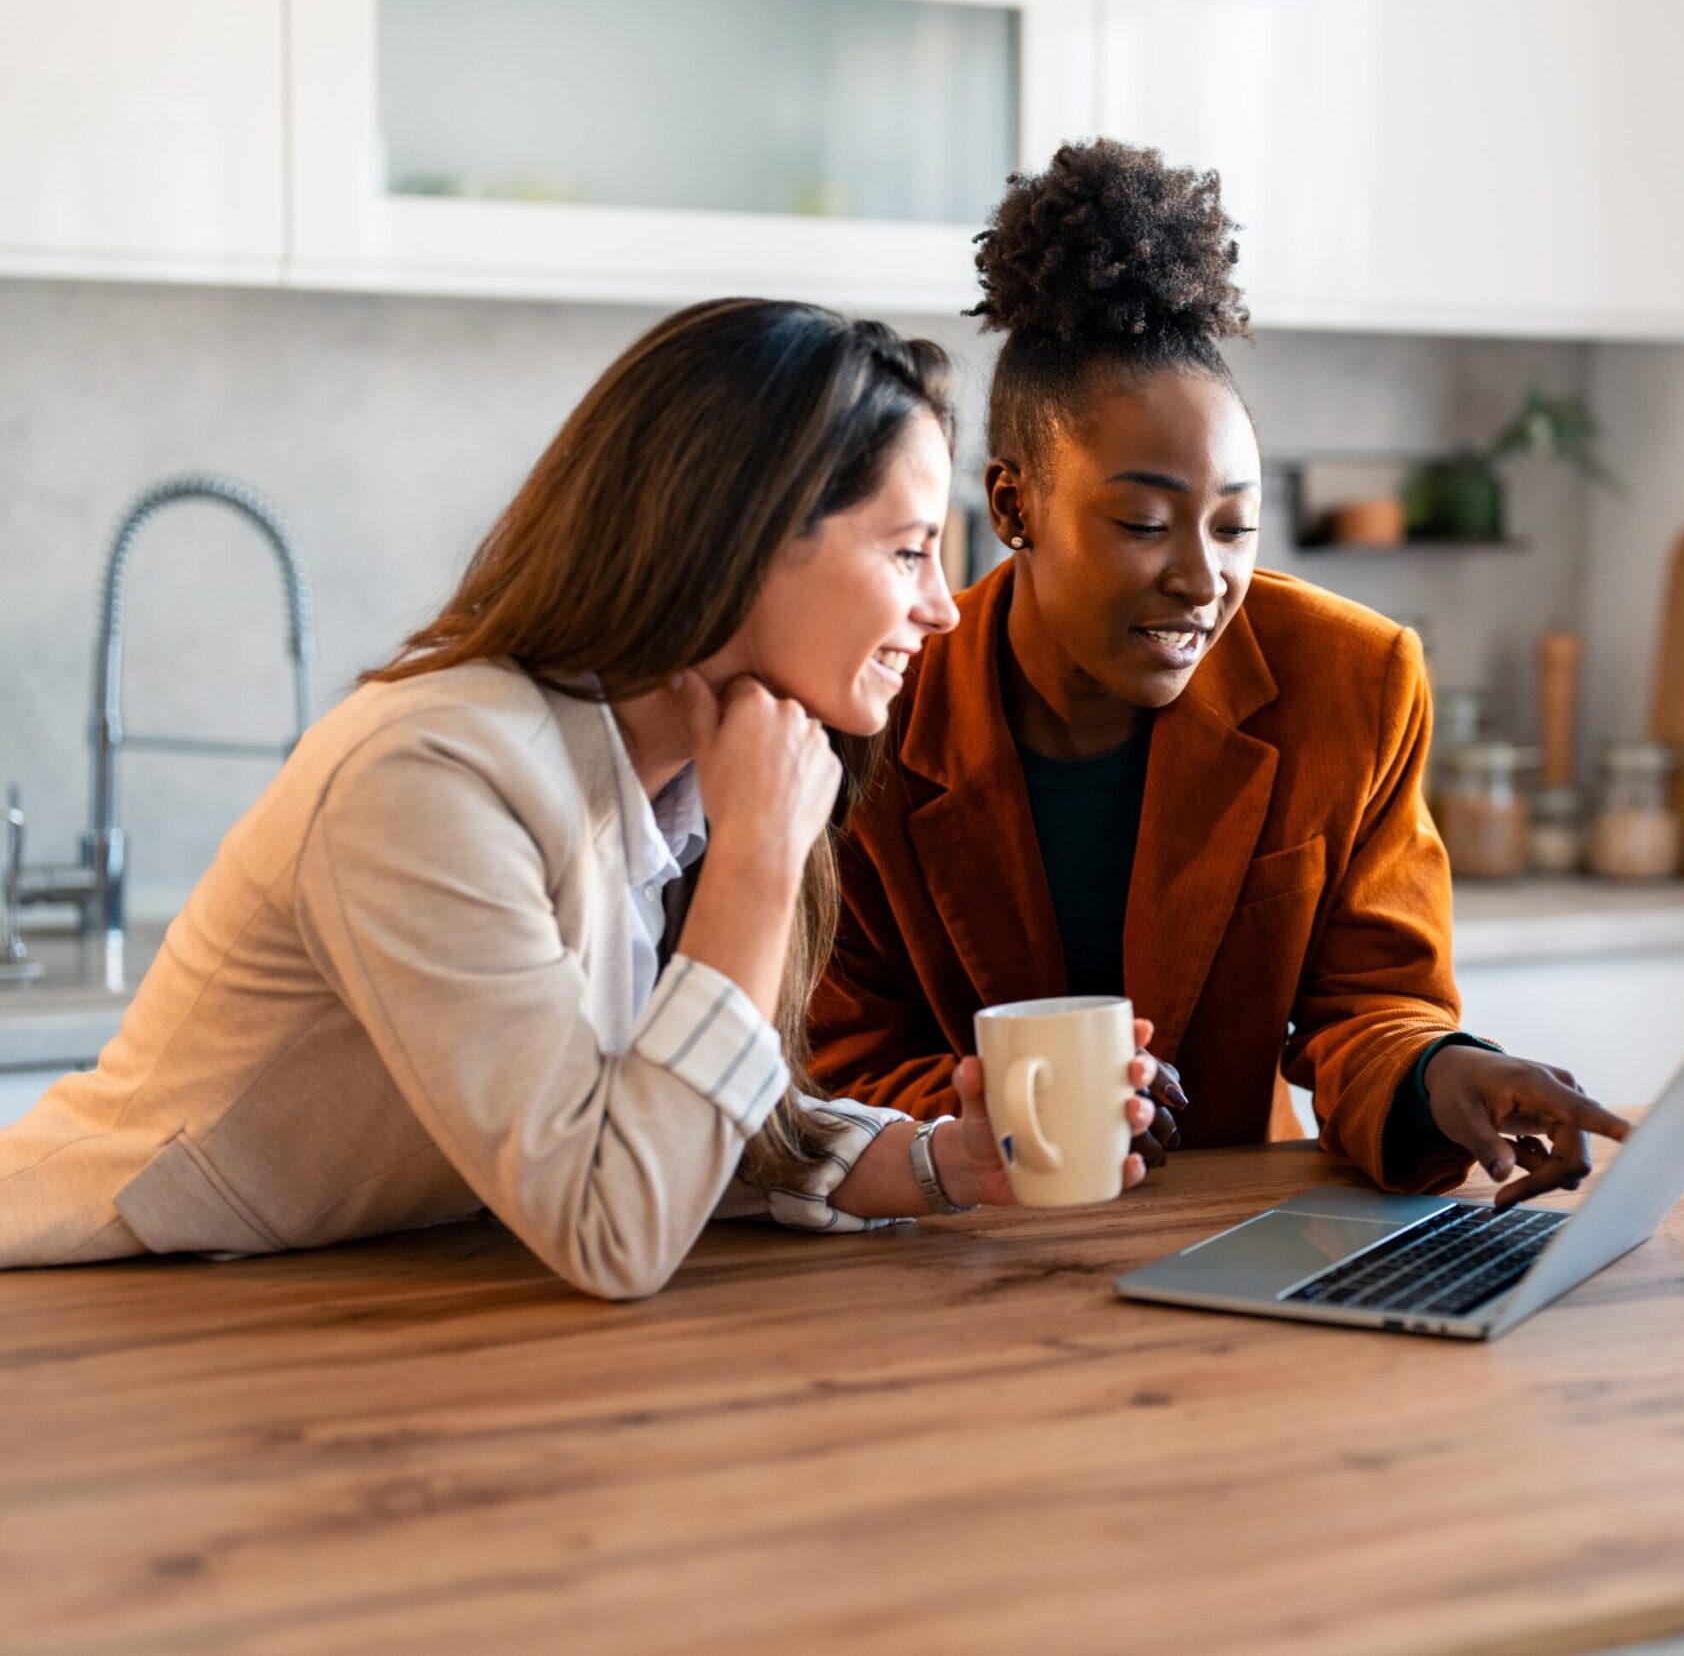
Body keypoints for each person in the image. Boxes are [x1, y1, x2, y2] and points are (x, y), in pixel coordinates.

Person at [0, 299, 1150, 1298]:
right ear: (743, 537)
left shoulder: (673, 779)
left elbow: (663, 1121)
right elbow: (618, 1227)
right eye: (907, 552)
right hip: (92, 1304)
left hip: (318, 1302)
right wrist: (755, 861)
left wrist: (944, 1162)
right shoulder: (429, 777)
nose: (944, 608)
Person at [809, 141, 1629, 1204]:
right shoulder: (877, 702)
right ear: (1011, 507)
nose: (1204, 578)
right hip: (947, 1250)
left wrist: (1442, 1073)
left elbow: (1372, 1006)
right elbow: (835, 1055)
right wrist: (1015, 1119)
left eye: (1236, 525)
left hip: (1231, 1236)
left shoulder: (1353, 680)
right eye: (1145, 523)